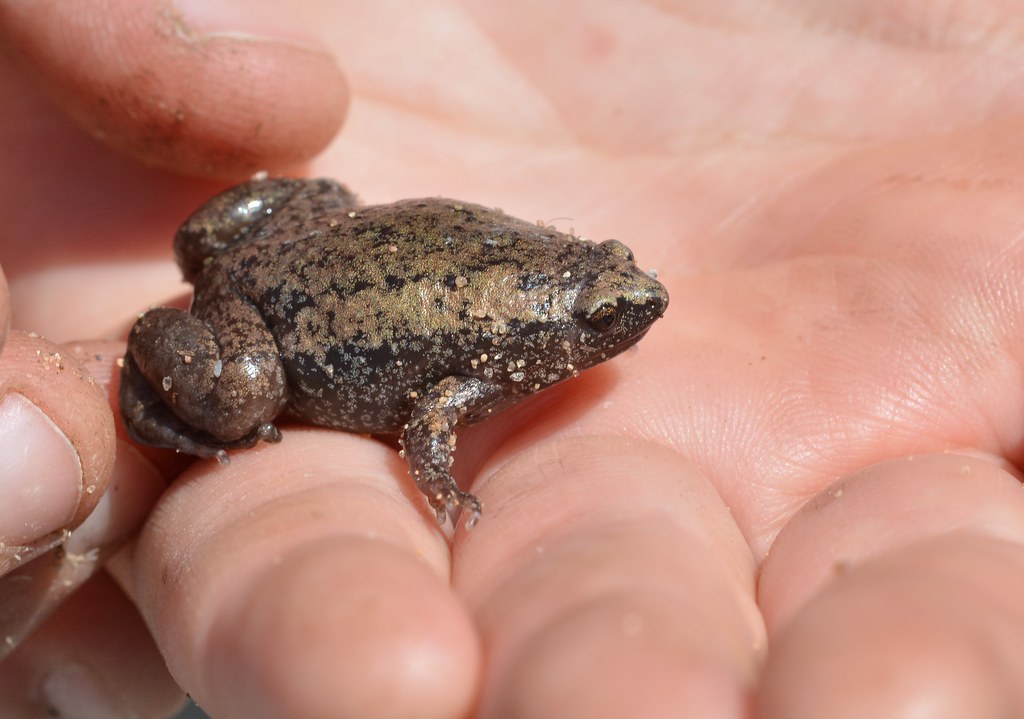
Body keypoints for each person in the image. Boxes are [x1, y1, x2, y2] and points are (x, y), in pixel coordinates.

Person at [3, 1, 1024, 717]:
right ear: (551, 331)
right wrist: (446, 492)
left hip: (293, 240)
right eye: (601, 314)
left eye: (609, 289)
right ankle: (175, 408)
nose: (634, 308)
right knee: (243, 396)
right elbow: (434, 413)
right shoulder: (499, 356)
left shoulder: (532, 285)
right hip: (264, 327)